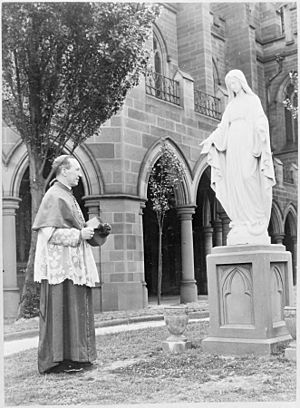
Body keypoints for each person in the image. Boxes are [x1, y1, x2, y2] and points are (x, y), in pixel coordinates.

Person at [33, 154, 100, 374]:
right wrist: (80, 234)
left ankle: (78, 357)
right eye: (77, 170)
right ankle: (59, 361)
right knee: (62, 310)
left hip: (73, 265)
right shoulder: (54, 196)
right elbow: (49, 234)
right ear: (64, 171)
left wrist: (94, 231)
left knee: (76, 308)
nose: (80, 175)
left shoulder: (67, 195)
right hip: (60, 267)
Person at [201, 69, 275, 245]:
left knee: (248, 177)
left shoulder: (252, 100)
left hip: (248, 143)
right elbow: (222, 127)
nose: (232, 87)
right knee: (236, 181)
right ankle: (241, 220)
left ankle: (255, 219)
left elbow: (260, 120)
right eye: (229, 84)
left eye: (234, 82)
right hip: (233, 146)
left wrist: (261, 132)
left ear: (241, 82)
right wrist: (211, 140)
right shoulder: (231, 105)